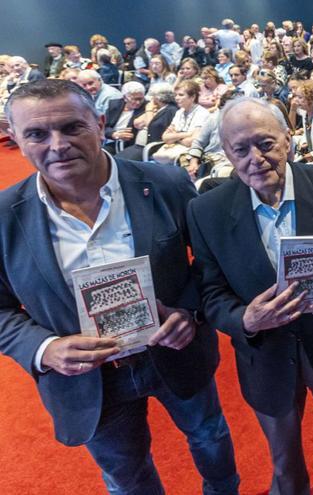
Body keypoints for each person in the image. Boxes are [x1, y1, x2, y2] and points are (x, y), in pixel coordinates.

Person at [0, 79, 239, 494]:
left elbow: (212, 265)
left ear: (100, 123)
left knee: (209, 439)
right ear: (15, 138)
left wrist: (190, 313)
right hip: (89, 380)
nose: (57, 145)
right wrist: (44, 348)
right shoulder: (4, 216)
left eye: (72, 127)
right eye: (37, 134)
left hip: (177, 354)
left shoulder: (166, 184)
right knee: (127, 476)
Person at [187, 97, 313, 495]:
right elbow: (210, 292)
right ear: (226, 153)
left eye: (266, 144)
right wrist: (245, 320)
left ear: (288, 140)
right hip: (266, 357)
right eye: (240, 149)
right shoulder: (205, 211)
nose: (255, 158)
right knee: (284, 460)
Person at [153, 80, 210, 164]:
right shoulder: (179, 112)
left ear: (193, 97)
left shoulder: (202, 113)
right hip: (172, 153)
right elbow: (165, 137)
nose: (176, 98)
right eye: (176, 95)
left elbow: (193, 141)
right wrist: (187, 134)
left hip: (188, 156)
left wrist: (175, 138)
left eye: (181, 95)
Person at [104, 81, 147, 153]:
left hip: (131, 144)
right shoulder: (114, 105)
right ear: (124, 97)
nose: (138, 102)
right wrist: (114, 134)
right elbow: (103, 127)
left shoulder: (147, 107)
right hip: (114, 141)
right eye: (134, 99)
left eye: (140, 99)